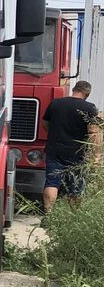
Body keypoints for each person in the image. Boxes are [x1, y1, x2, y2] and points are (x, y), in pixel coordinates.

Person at [42, 80, 102, 210]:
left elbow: (45, 124)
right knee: (75, 186)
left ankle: (48, 214)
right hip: (77, 153)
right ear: (87, 94)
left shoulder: (55, 103)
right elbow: (94, 133)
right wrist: (96, 155)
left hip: (54, 150)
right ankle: (72, 214)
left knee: (52, 182)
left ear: (74, 89)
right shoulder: (89, 108)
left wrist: (55, 134)